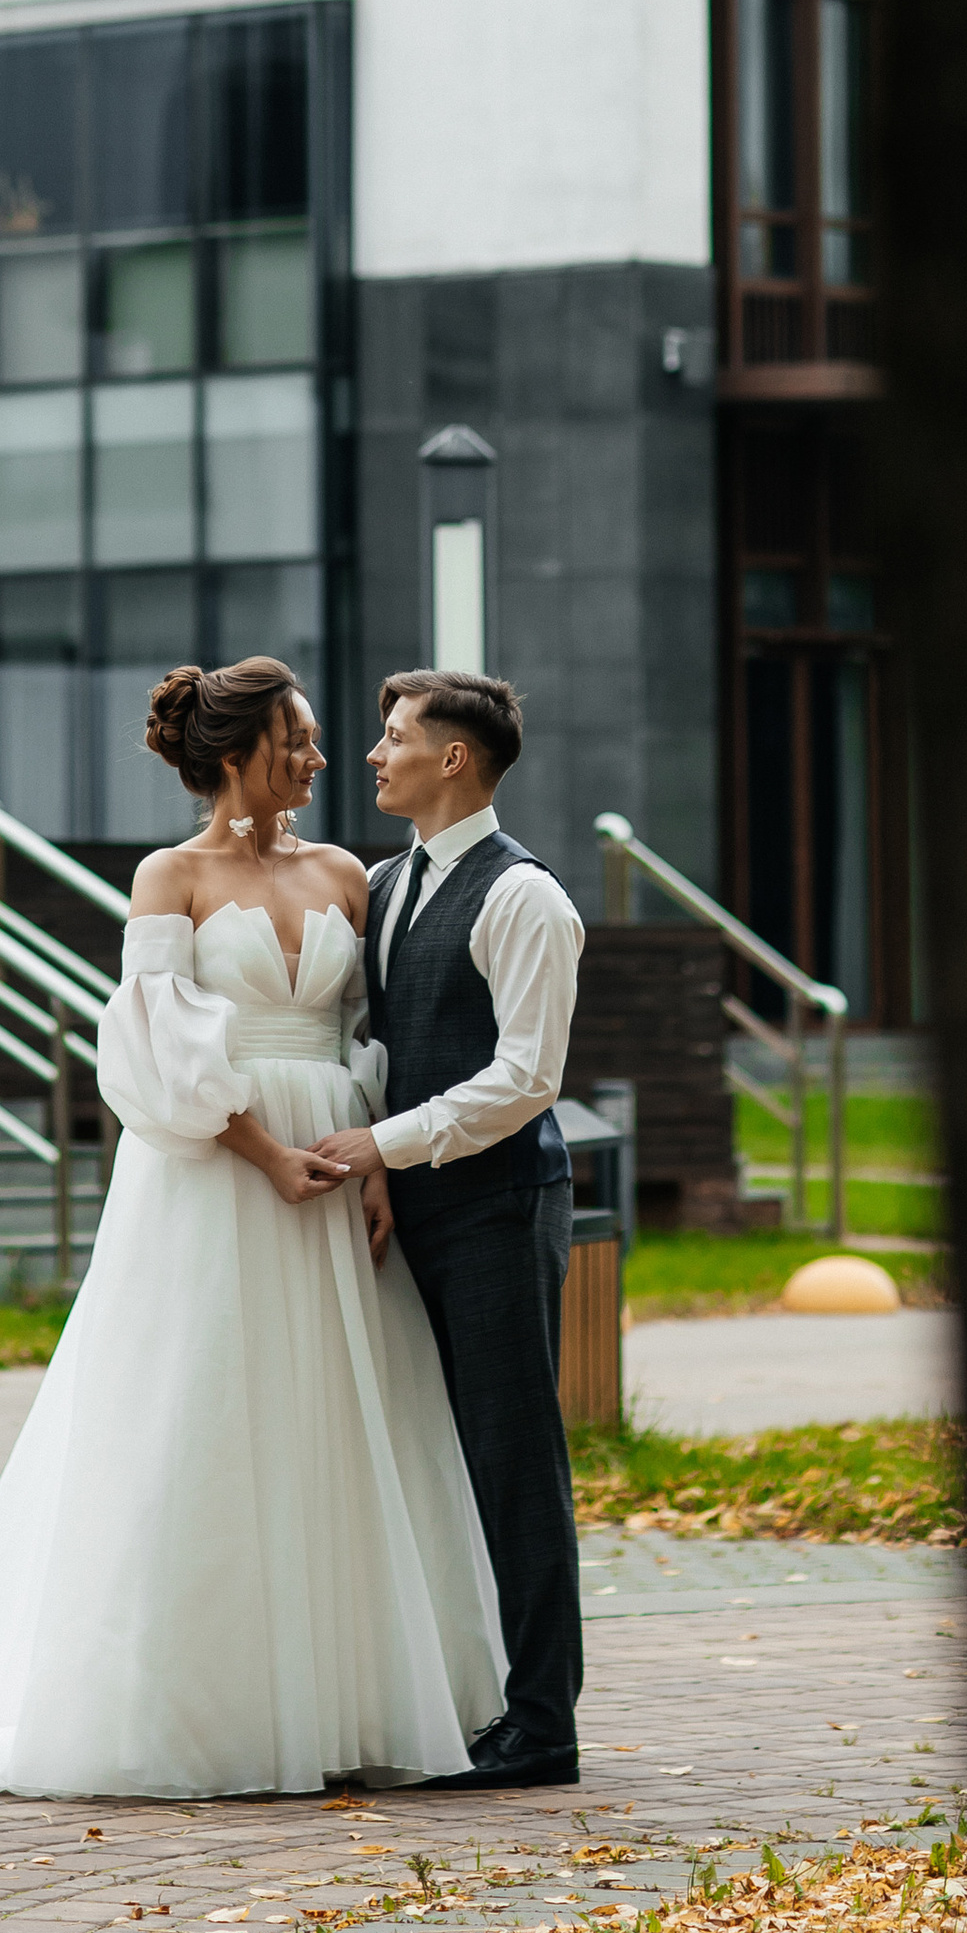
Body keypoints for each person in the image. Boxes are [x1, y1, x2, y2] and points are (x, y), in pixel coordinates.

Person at [0, 655, 505, 1797]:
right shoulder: (168, 877)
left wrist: (372, 1165)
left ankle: (351, 1695)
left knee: (338, 1414)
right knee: (206, 1408)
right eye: (297, 740)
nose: (318, 757)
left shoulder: (347, 875)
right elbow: (149, 1048)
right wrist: (264, 1154)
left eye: (316, 739)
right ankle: (202, 1704)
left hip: (337, 1160)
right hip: (216, 1171)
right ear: (234, 755)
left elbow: (371, 1039)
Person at [308, 670, 587, 1787]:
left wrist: (383, 1146)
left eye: (392, 737)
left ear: (454, 759)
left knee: (513, 1460)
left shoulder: (525, 899)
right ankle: (464, 1698)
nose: (374, 756)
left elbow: (527, 1077)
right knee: (431, 1456)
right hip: (409, 1206)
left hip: (498, 1204)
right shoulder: (385, 882)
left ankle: (541, 1726)